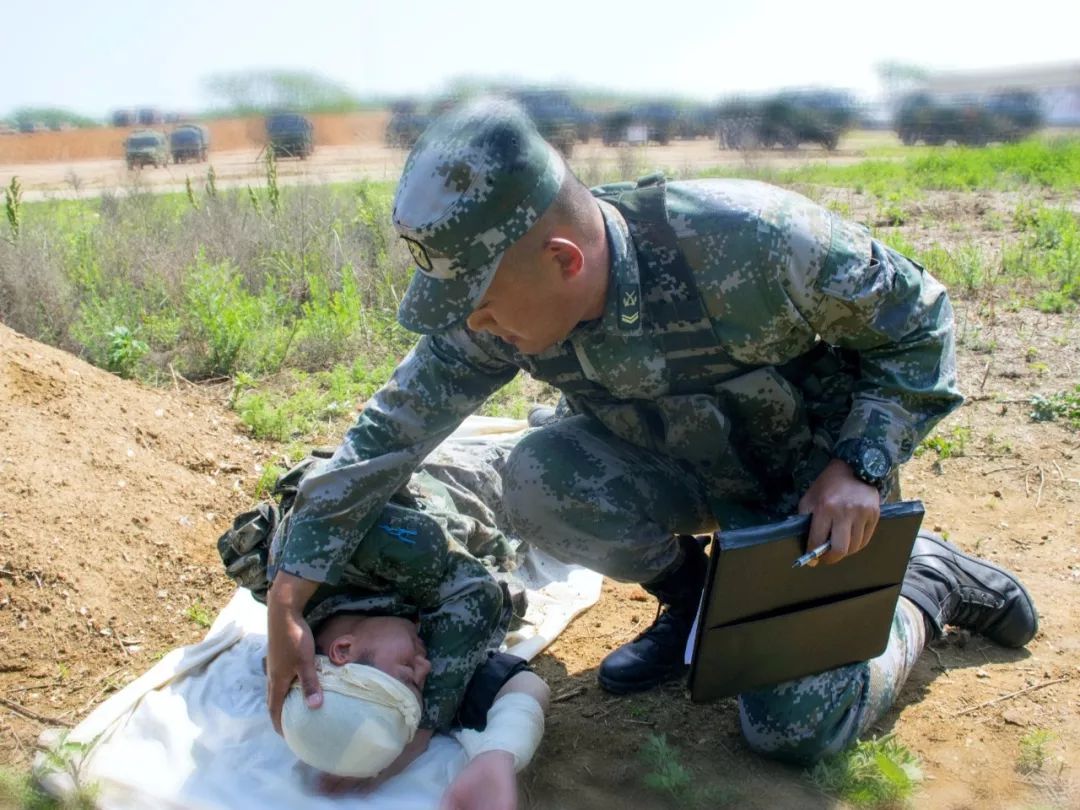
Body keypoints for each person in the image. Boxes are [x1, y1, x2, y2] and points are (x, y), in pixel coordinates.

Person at [265, 97, 1038, 765]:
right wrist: (290, 598)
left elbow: (919, 324)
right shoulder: (506, 302)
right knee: (538, 479)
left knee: (795, 730)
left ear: (563, 260)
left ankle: (928, 582)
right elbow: (389, 431)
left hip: (808, 493)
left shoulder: (756, 240)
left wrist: (861, 464)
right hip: (675, 472)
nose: (476, 326)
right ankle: (698, 598)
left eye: (484, 304)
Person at [220, 438, 548, 806]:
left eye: (408, 670)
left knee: (539, 456)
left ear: (343, 649)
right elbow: (524, 684)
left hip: (463, 474)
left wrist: (425, 729)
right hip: (504, 524)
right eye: (422, 685)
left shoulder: (316, 564)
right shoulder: (394, 660)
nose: (428, 667)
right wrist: (499, 754)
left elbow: (477, 590)